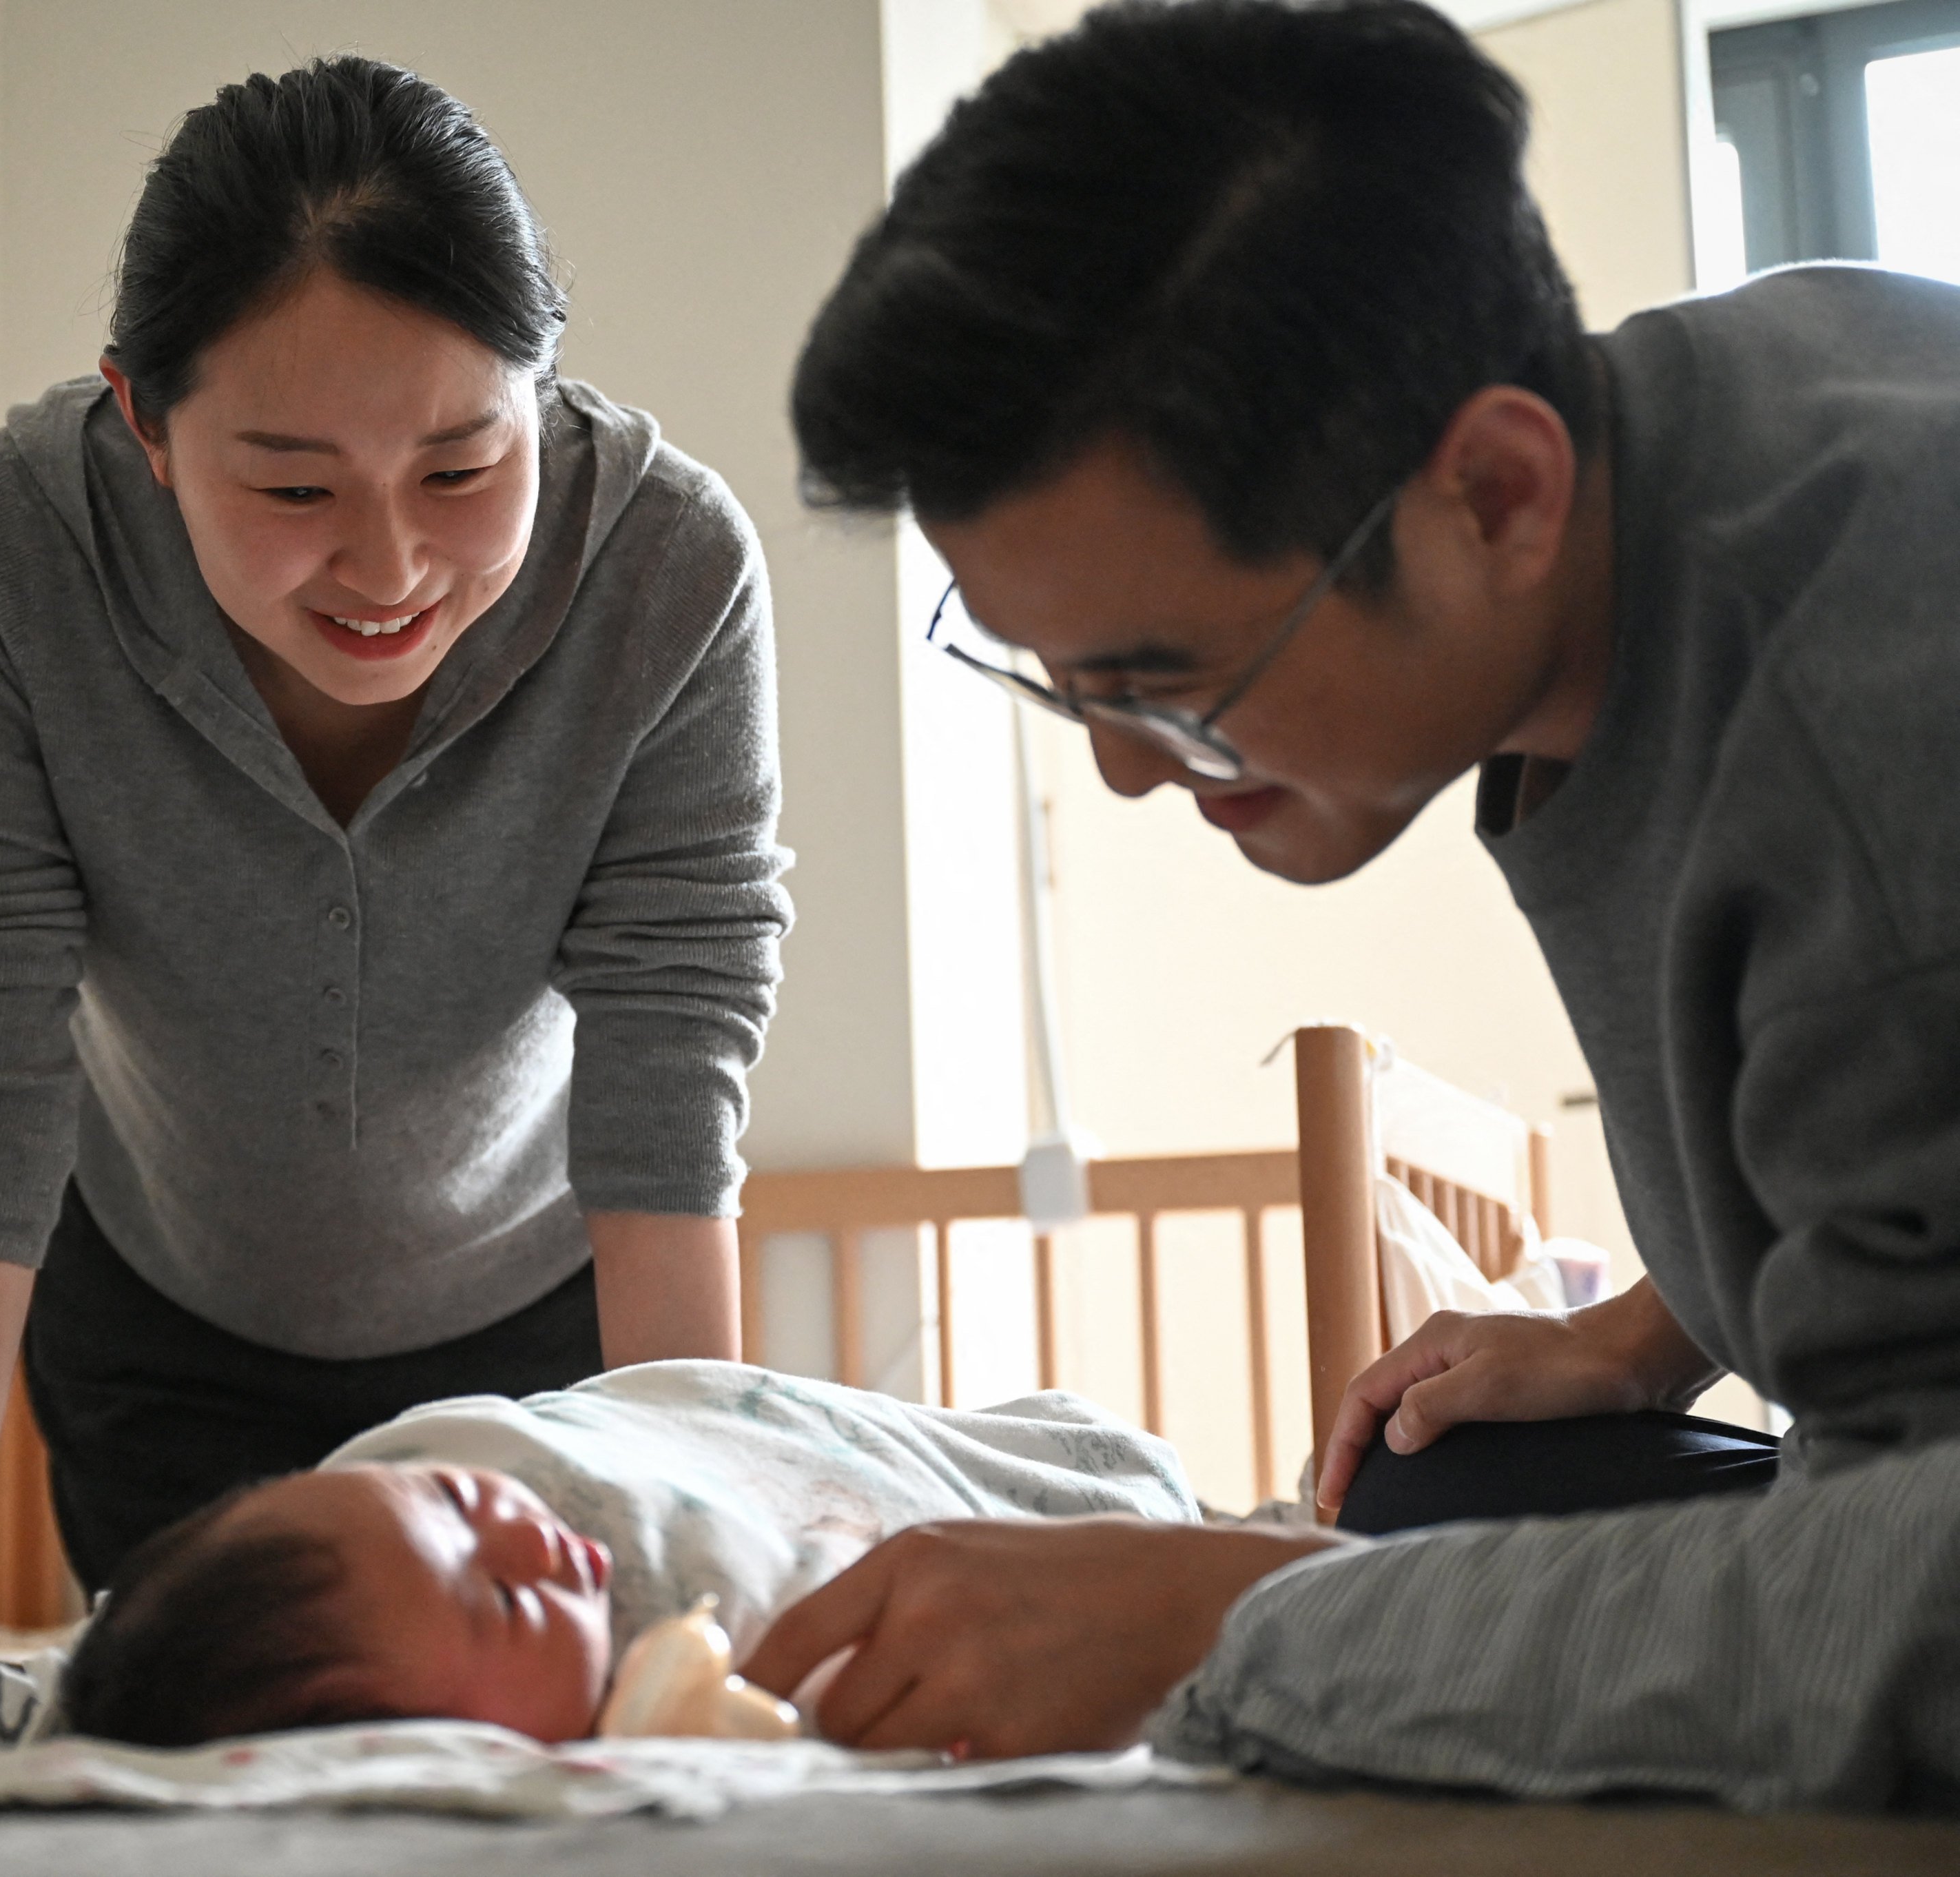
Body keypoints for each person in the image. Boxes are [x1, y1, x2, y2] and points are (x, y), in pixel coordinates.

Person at [745, 0, 1960, 1810]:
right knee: (1426, 1494)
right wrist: (1655, 1324)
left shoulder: (1872, 695)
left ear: (1493, 491)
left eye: (1166, 685)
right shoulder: (1699, 433)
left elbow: (1916, 1602)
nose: (1131, 773)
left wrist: (1226, 1623)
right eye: (1060, 686)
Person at [0, 57, 792, 1700]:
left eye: (459, 470)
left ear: (544, 387)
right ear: (140, 420)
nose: (389, 567)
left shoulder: (669, 572)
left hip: (544, 1342)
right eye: (291, 488)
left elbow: (670, 1064)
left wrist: (696, 1633)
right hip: (159, 1325)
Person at [52, 1360, 1199, 1745]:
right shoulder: (696, 1729)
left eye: (455, 1493)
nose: (524, 1533)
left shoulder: (531, 1490)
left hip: (1064, 1468)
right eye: (501, 1604)